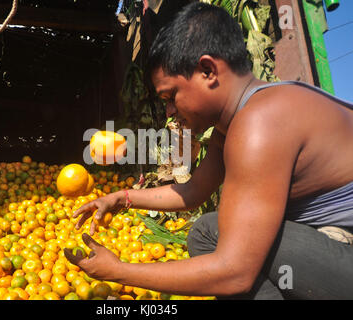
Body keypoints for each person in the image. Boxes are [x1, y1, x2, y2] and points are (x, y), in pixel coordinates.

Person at [64, 2, 353, 299]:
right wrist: (120, 198)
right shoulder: (234, 124)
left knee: (216, 239)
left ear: (207, 70)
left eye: (171, 97)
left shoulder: (261, 122)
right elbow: (192, 193)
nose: (169, 112)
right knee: (208, 229)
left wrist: (119, 272)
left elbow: (234, 273)